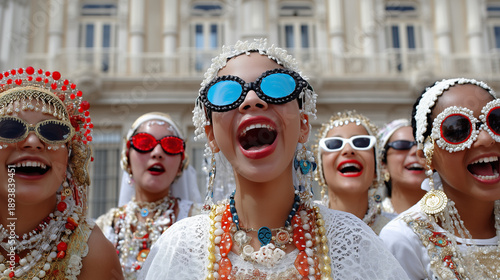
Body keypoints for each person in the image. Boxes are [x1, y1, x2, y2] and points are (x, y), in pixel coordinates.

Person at [139, 39, 409, 279]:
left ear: (304, 125)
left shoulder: (352, 242)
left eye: (276, 87)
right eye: (227, 93)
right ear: (211, 134)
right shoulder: (181, 247)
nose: (253, 100)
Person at [0, 66, 123, 279]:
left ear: (71, 157)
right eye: (10, 129)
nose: (32, 142)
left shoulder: (92, 254)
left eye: (52, 132)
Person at [379, 78, 500, 279]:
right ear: (427, 158)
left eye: (495, 121)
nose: (486, 139)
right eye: (458, 130)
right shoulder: (404, 239)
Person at [96, 112, 202, 279]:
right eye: (144, 143)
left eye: (171, 145)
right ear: (126, 157)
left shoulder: (199, 222)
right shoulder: (103, 228)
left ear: (181, 163)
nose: (157, 153)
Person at [314, 111, 390, 234]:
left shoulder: (395, 233)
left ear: (377, 166)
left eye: (361, 143)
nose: (348, 150)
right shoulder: (303, 228)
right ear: (320, 169)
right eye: (334, 144)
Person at [378, 119, 426, 219]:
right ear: (383, 165)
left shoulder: (455, 219)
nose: (416, 151)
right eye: (401, 145)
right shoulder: (369, 223)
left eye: (423, 145)